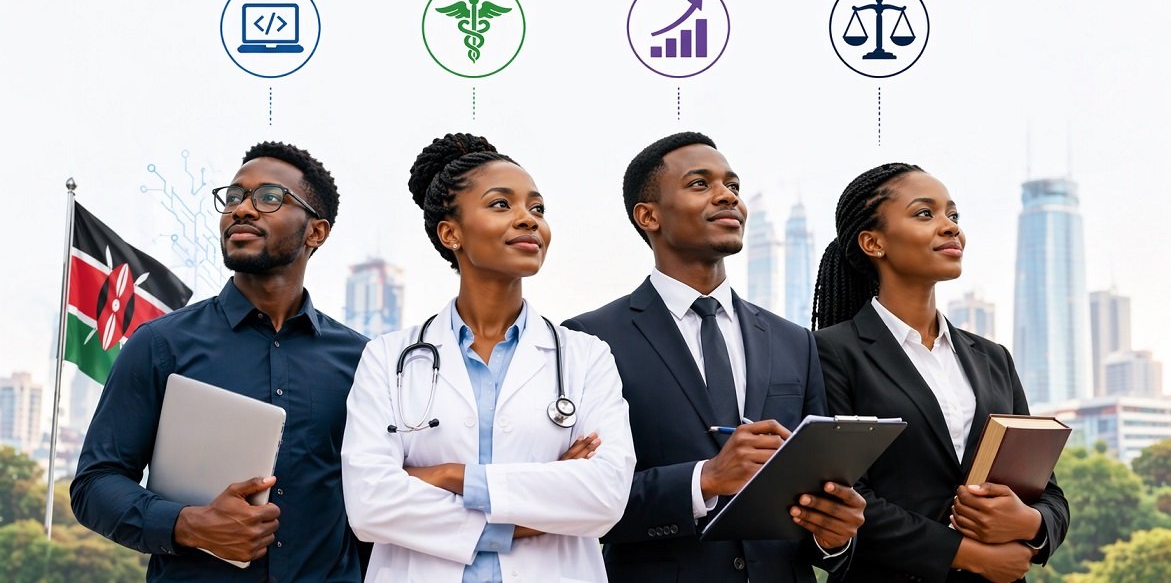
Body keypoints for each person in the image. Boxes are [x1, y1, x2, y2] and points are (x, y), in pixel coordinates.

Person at [564, 132, 865, 583]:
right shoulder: (590, 339)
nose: (727, 197)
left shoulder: (795, 342)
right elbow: (579, 501)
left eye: (733, 186)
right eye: (700, 184)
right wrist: (704, 479)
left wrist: (833, 534)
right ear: (648, 216)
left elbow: (816, 489)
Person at [341, 133, 635, 583]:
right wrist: (536, 502)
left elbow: (605, 497)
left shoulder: (585, 357)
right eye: (502, 205)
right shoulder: (387, 358)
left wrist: (447, 475)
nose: (529, 220)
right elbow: (369, 503)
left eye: (537, 209)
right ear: (450, 232)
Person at [71, 142, 368, 581]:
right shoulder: (160, 345)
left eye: (268, 198)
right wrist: (187, 524)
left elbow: (375, 502)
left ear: (316, 232)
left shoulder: (363, 361)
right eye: (233, 197)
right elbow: (95, 486)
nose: (242, 210)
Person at [811, 163, 1069, 583]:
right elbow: (846, 499)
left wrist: (1029, 524)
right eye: (925, 214)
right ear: (873, 242)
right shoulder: (830, 354)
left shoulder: (994, 358)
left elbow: (1048, 491)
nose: (950, 227)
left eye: (953, 215)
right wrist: (967, 555)